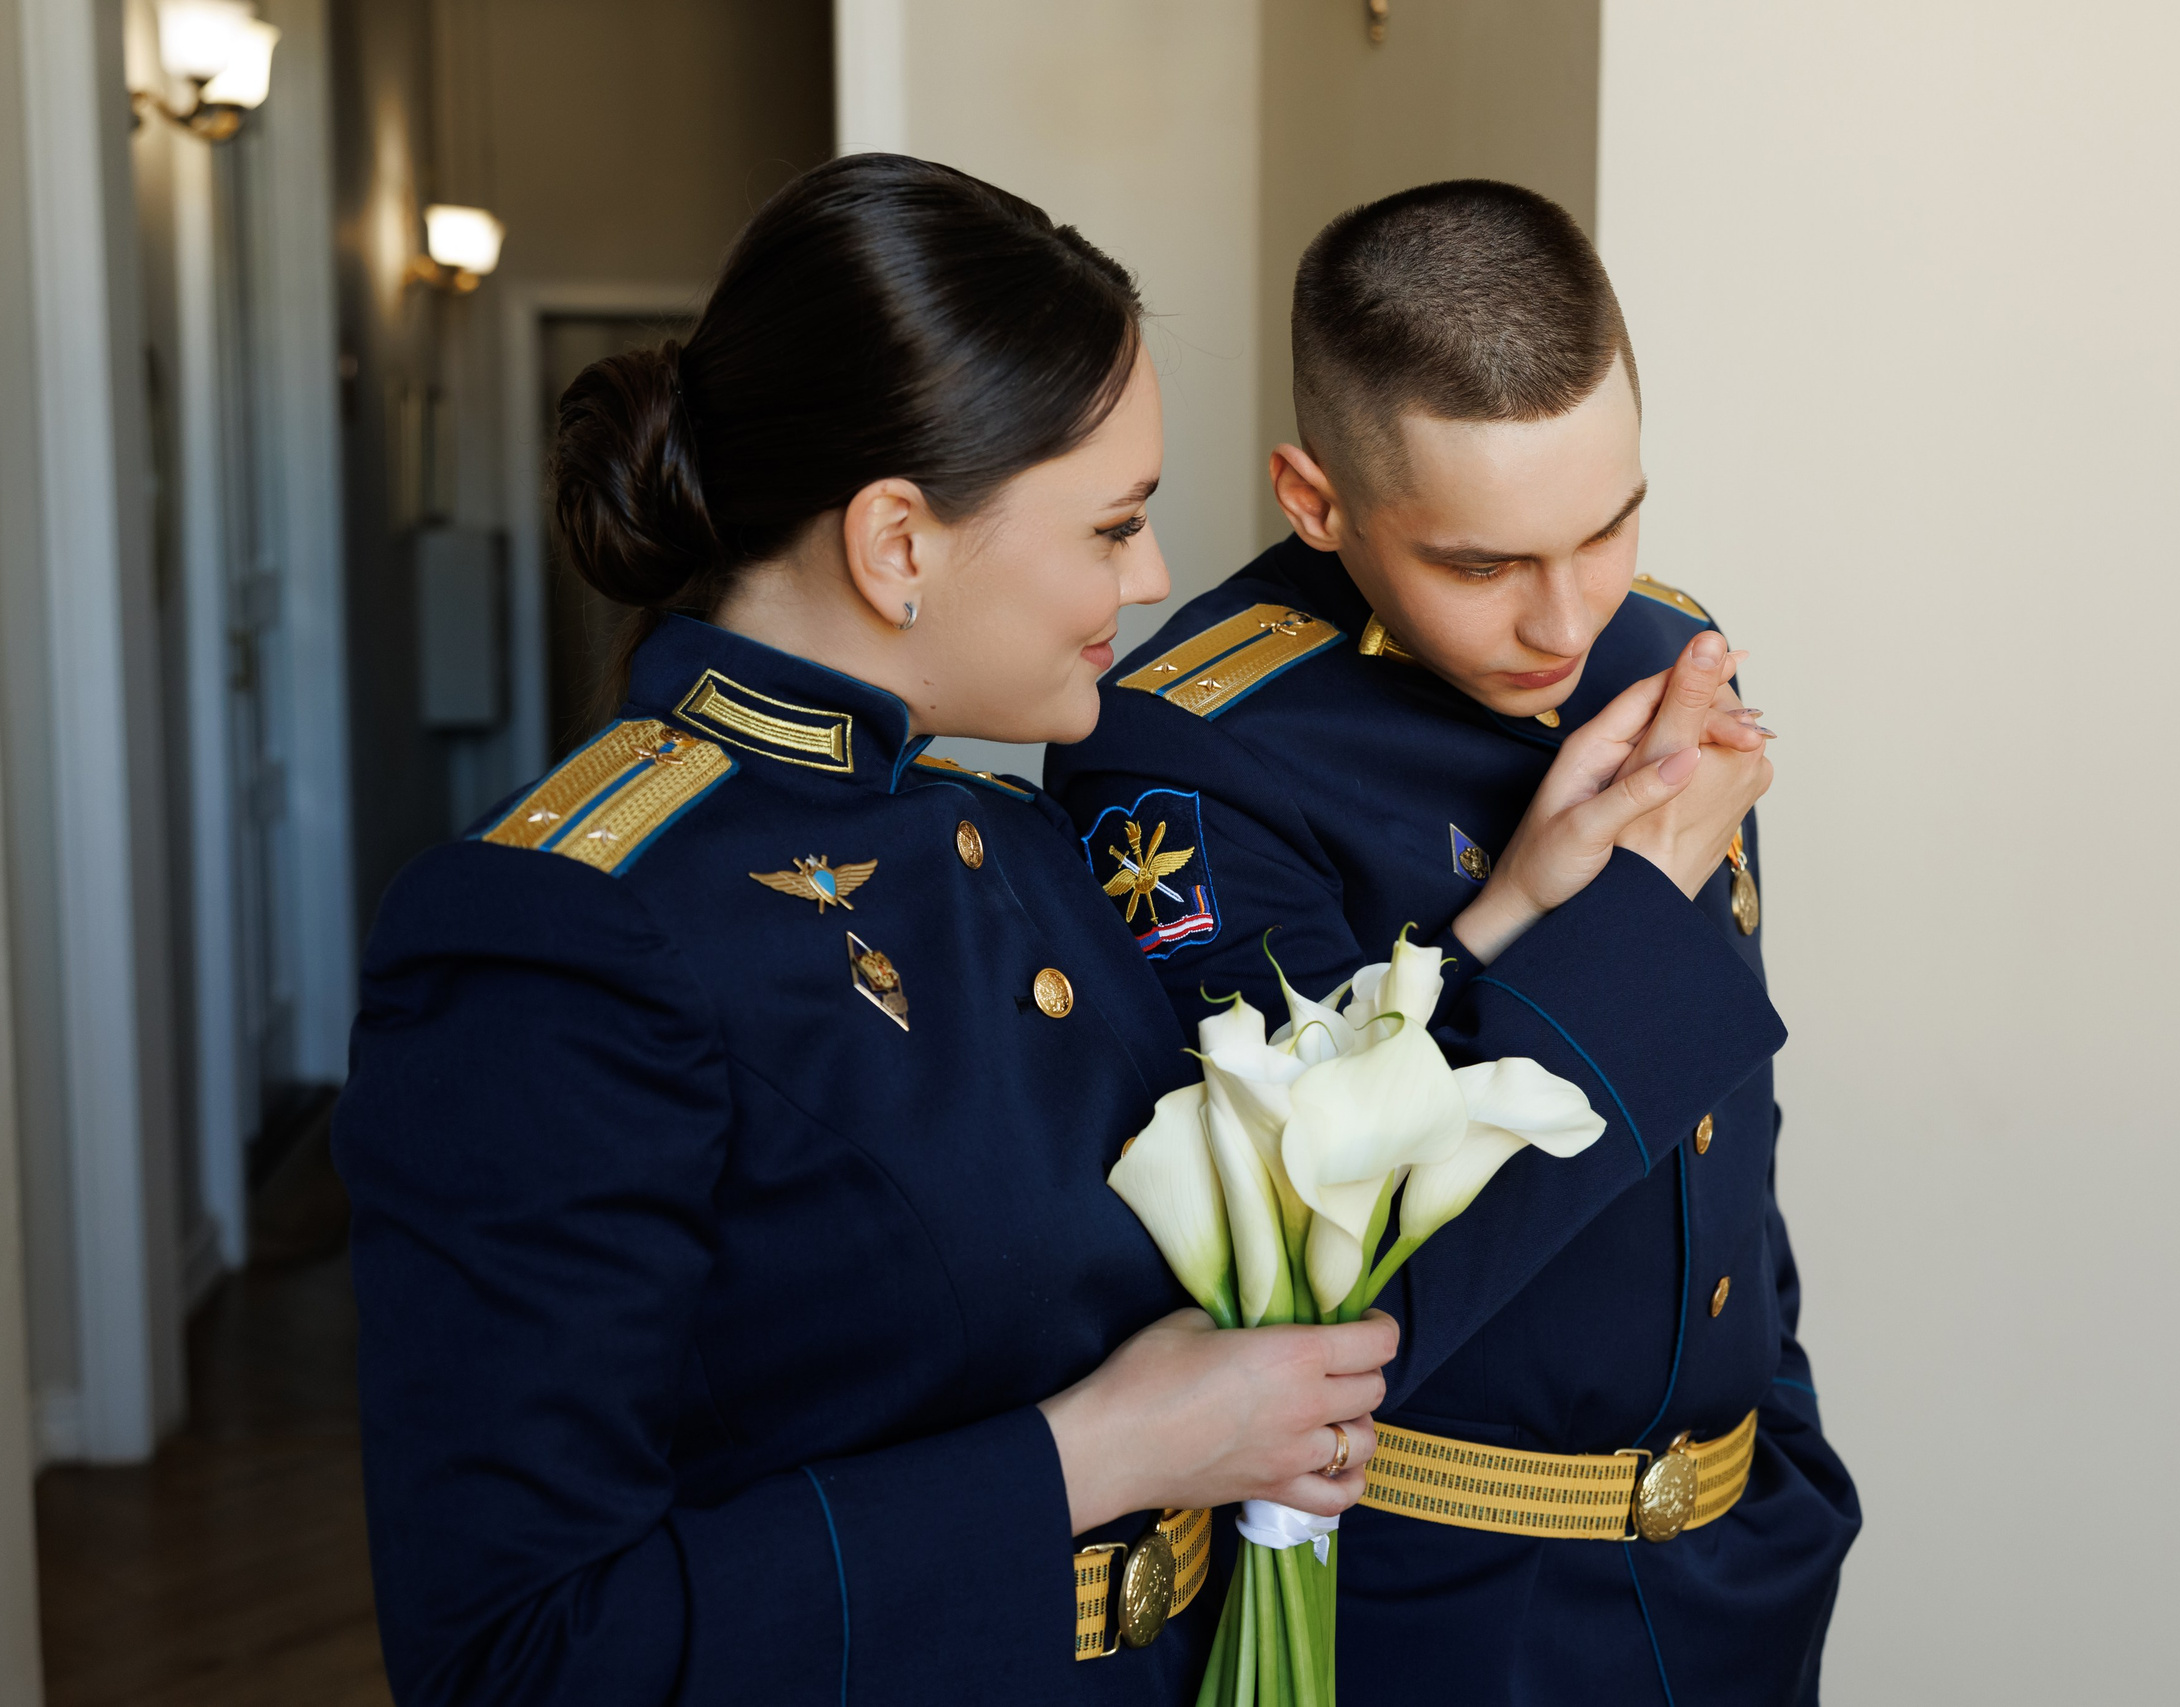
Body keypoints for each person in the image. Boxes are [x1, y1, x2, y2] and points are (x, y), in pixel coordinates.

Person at [331, 154, 1400, 1707]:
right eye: (1114, 528)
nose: (1153, 578)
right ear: (897, 542)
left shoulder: (1017, 842)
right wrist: (1104, 1454)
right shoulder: (554, 937)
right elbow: (520, 1656)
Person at [1046, 180, 1861, 1704]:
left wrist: (1788, 1453)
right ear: (1316, 499)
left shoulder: (1653, 645)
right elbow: (1300, 1282)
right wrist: (1620, 908)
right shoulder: (1186, 753)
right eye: (1481, 567)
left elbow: (1722, 1144)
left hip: (1744, 1567)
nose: (1566, 620)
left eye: (1610, 524)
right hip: (1439, 1601)